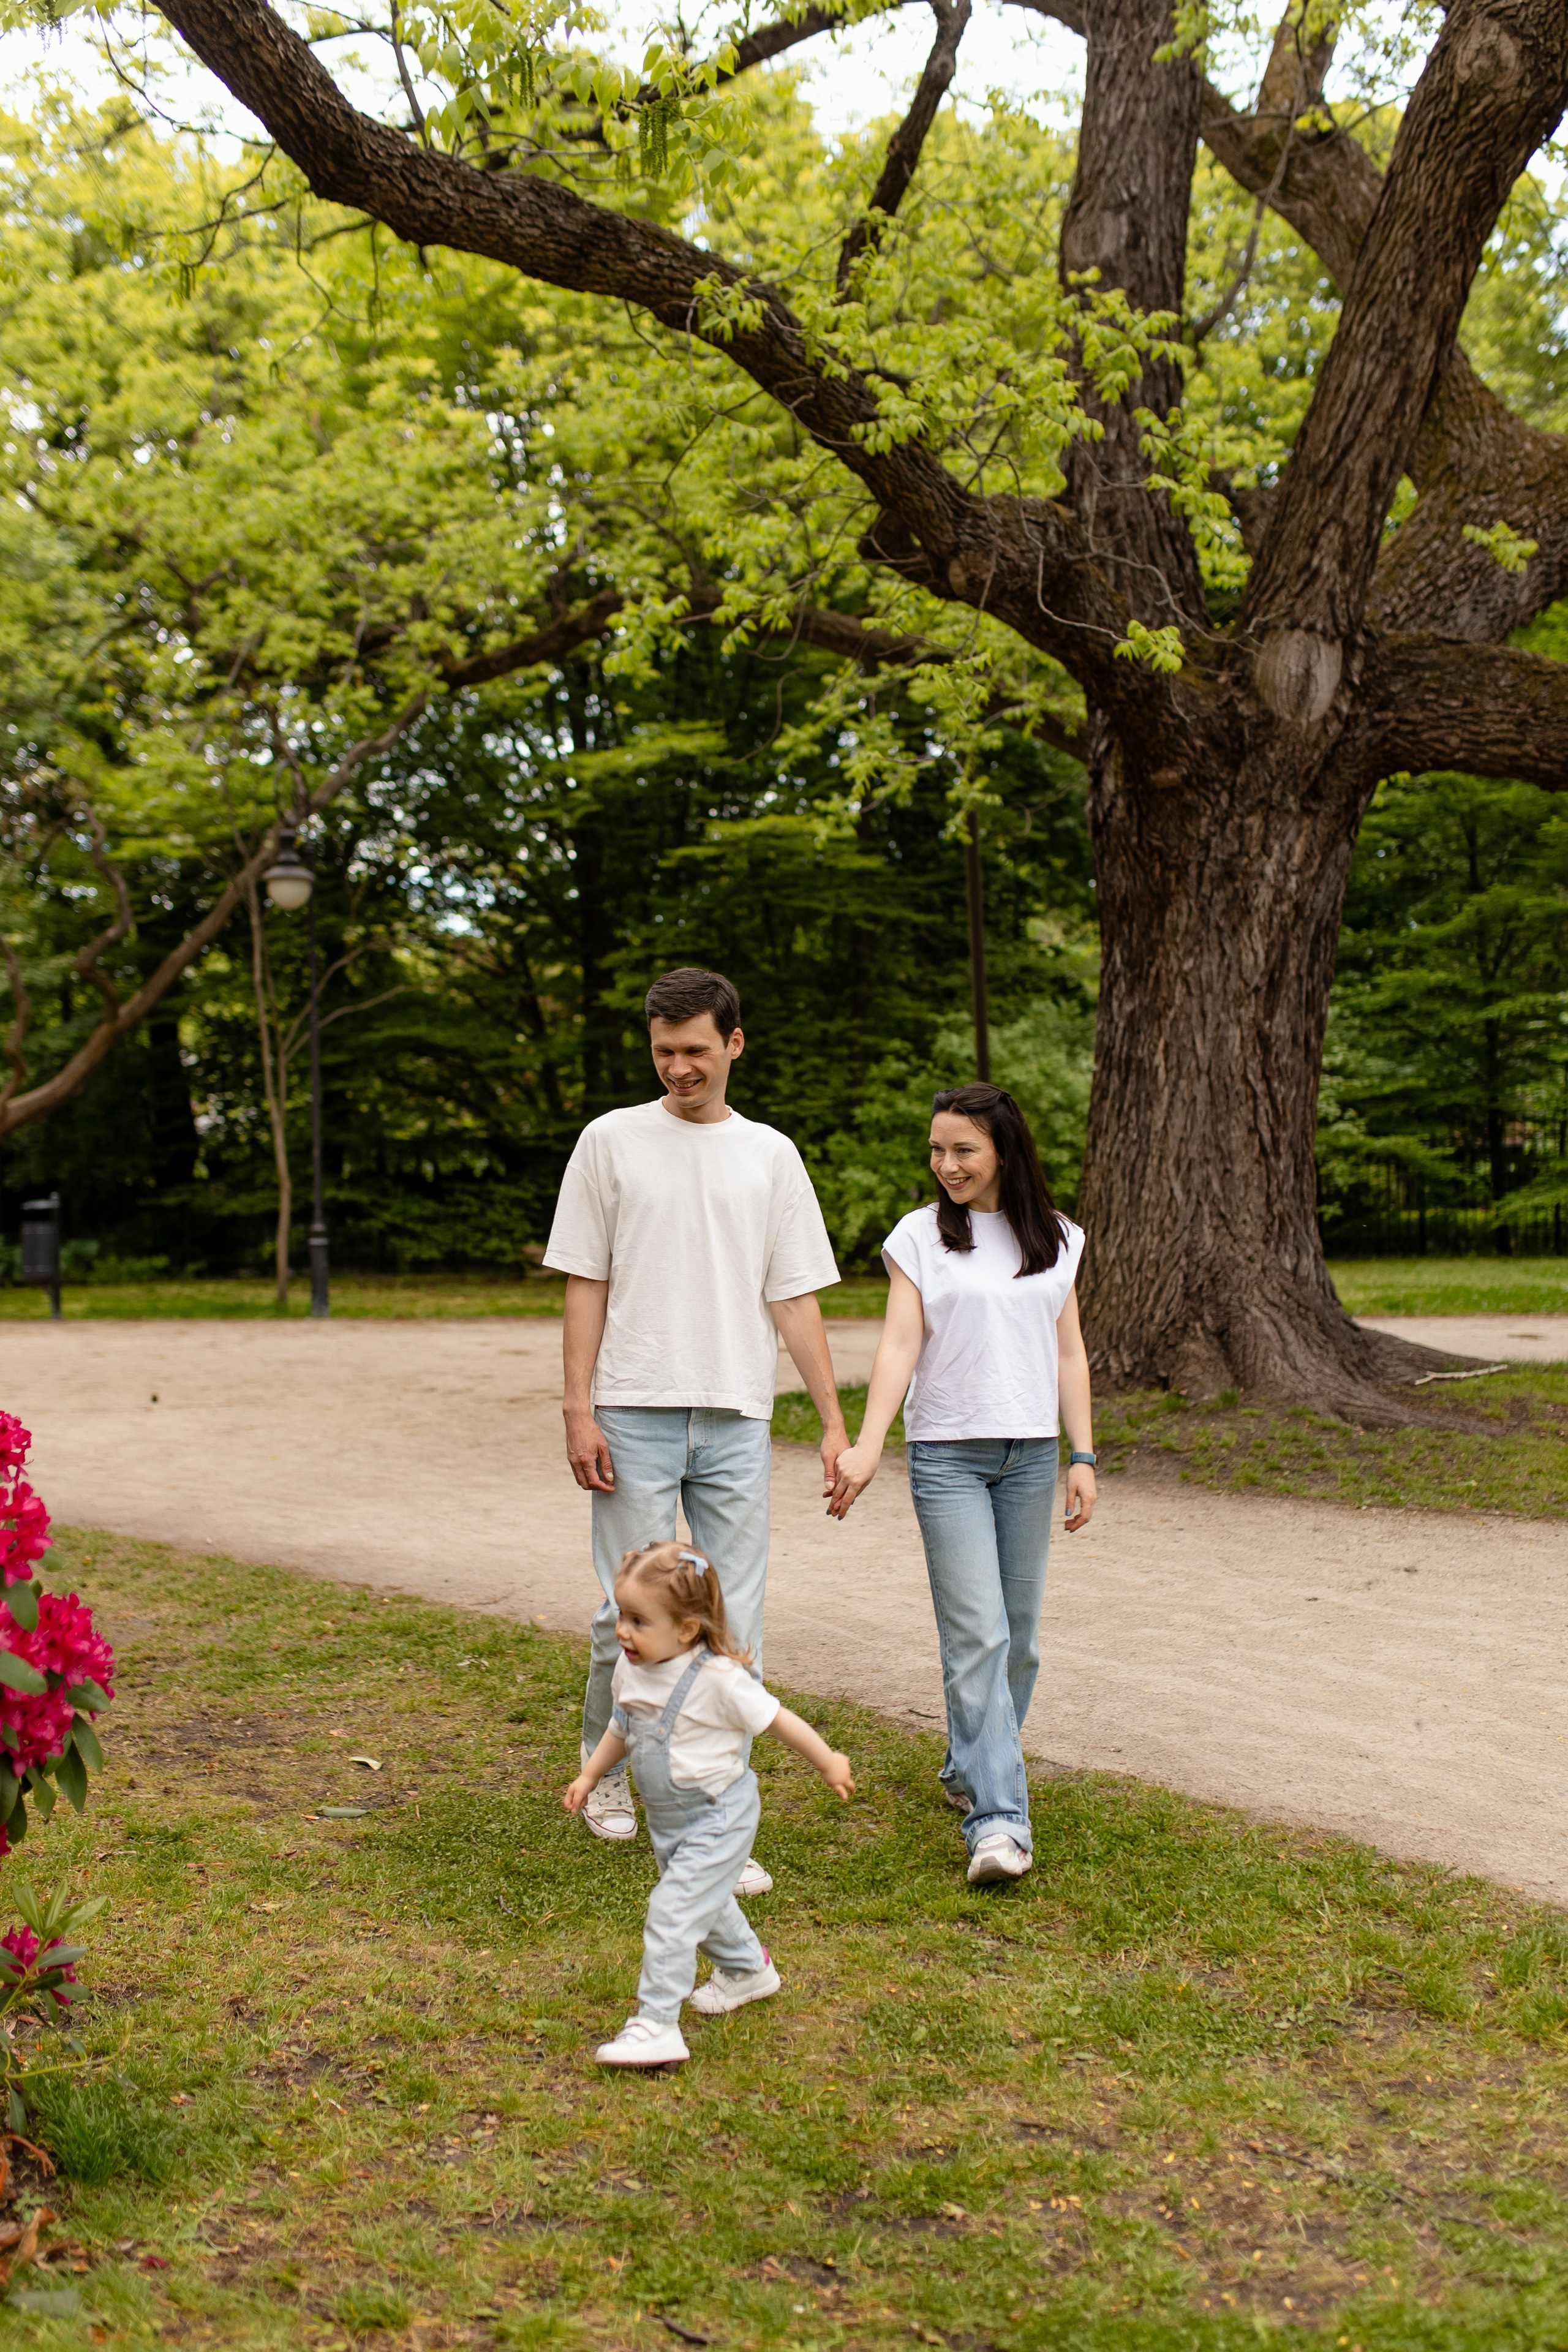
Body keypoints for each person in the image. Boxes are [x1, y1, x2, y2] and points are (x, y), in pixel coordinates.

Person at [543, 965, 846, 1890]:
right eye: (665, 1051)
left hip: (736, 1415)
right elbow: (584, 1281)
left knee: (734, 1622)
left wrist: (834, 1423)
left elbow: (793, 1298)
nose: (680, 1067)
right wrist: (578, 1407)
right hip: (631, 1410)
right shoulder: (610, 1142)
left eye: (696, 1051)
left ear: (734, 1046)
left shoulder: (771, 1155)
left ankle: (715, 1814)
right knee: (620, 1618)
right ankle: (613, 1782)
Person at [827, 1082, 1096, 1886]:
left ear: (1005, 1151)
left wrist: (1083, 1456)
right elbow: (900, 1342)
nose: (946, 1164)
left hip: (1031, 1458)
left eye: (964, 1150)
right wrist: (870, 1445)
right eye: (938, 1149)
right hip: (947, 1457)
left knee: (1020, 1640)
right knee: (977, 1637)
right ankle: (999, 1822)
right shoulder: (920, 1236)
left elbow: (1070, 1353)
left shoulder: (1058, 1237)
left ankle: (967, 1767)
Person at [565, 1541, 854, 2068]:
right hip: (668, 1818)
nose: (623, 1631)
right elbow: (621, 1727)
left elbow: (778, 1720)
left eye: (638, 1620)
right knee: (705, 1898)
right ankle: (748, 1970)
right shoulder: (631, 1670)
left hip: (720, 1814)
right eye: (622, 1616)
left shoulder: (719, 1679)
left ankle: (656, 2024)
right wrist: (591, 1774)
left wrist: (828, 1759)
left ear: (686, 1630)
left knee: (673, 1910)